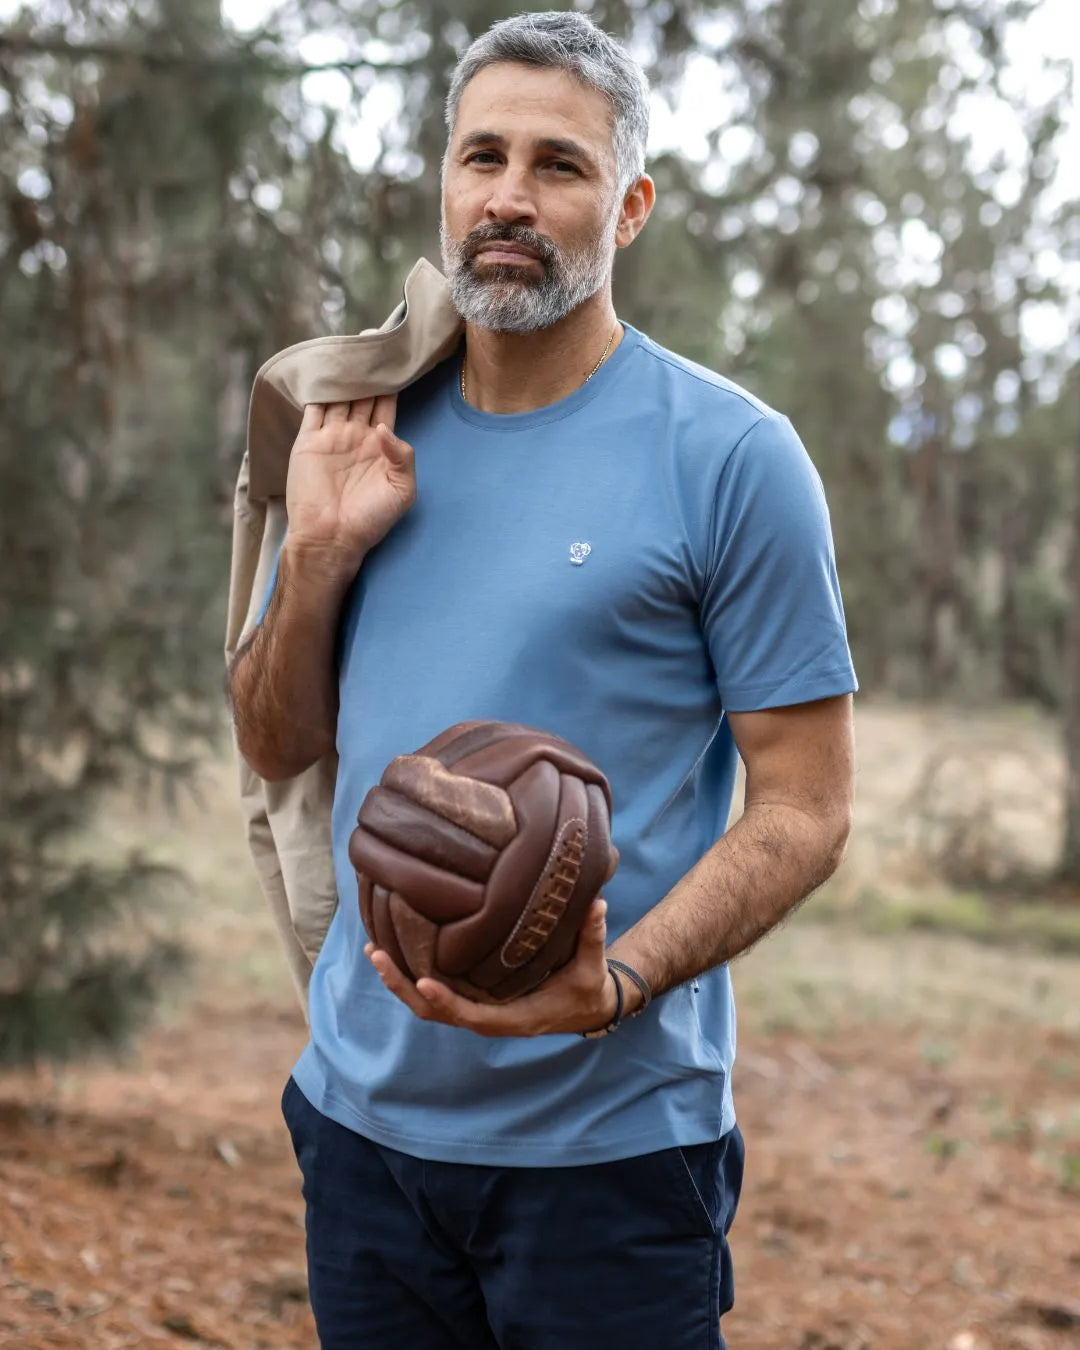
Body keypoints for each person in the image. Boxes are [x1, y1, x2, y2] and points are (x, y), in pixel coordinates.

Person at [228, 11, 857, 1348]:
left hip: (612, 1155)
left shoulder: (733, 459)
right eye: (483, 156)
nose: (510, 196)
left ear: (628, 207)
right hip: (360, 1132)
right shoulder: (360, 427)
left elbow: (805, 808)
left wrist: (618, 983)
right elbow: (276, 739)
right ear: (446, 182)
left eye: (560, 166)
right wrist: (324, 555)